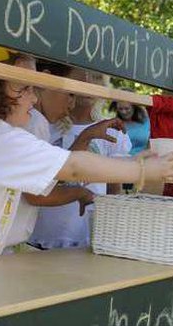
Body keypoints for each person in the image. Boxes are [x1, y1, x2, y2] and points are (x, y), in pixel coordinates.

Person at [0, 40, 173, 264]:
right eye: (24, 87)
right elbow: (74, 167)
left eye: (35, 88)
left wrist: (134, 162)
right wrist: (141, 170)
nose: (34, 97)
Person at [33, 69, 132, 248]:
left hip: (87, 235)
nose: (88, 83)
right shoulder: (45, 126)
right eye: (81, 78)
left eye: (96, 77)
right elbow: (41, 182)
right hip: (41, 234)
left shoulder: (112, 132)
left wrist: (110, 234)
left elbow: (114, 190)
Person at [110, 91, 150, 157]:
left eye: (127, 108)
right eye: (120, 109)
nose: (124, 112)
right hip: (121, 161)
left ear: (134, 107)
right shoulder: (114, 124)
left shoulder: (147, 121)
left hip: (144, 160)